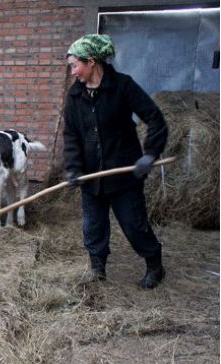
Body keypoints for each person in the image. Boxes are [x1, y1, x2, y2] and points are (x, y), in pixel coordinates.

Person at [62, 34, 168, 289]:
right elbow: (72, 135)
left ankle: (155, 265)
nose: (73, 72)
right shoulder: (75, 95)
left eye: (75, 65)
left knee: (134, 226)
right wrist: (74, 168)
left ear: (91, 62)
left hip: (124, 176)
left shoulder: (122, 86)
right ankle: (97, 269)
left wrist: (150, 154)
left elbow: (155, 118)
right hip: (91, 177)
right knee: (93, 228)